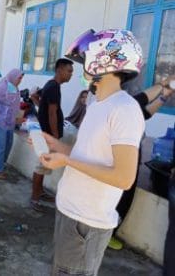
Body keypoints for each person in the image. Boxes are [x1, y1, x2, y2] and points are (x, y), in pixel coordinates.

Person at [39, 29, 145, 275]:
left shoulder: (125, 109)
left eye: (85, 58)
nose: (82, 65)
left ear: (104, 59)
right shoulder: (98, 104)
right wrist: (56, 146)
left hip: (86, 223)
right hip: (70, 211)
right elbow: (85, 154)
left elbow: (124, 177)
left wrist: (66, 160)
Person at [109, 76, 174, 250]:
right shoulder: (119, 104)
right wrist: (162, 84)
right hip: (118, 160)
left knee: (126, 198)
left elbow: (146, 112)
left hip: (130, 158)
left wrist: (163, 95)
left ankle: (110, 232)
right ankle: (106, 233)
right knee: (118, 198)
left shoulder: (128, 106)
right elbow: (139, 100)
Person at [30, 59, 74, 211]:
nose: (71, 74)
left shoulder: (50, 85)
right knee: (41, 165)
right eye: (69, 71)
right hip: (48, 135)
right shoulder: (53, 87)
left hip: (45, 133)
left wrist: (40, 107)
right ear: (60, 70)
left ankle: (39, 192)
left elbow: (34, 96)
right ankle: (34, 199)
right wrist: (55, 136)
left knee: (44, 164)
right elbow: (52, 112)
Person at [0, 69, 24, 180]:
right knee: (0, 146)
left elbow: (14, 105)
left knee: (8, 144)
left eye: (21, 78)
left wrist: (17, 118)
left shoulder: (14, 88)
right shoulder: (2, 87)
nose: (20, 80)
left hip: (9, 121)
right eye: (19, 78)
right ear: (13, 76)